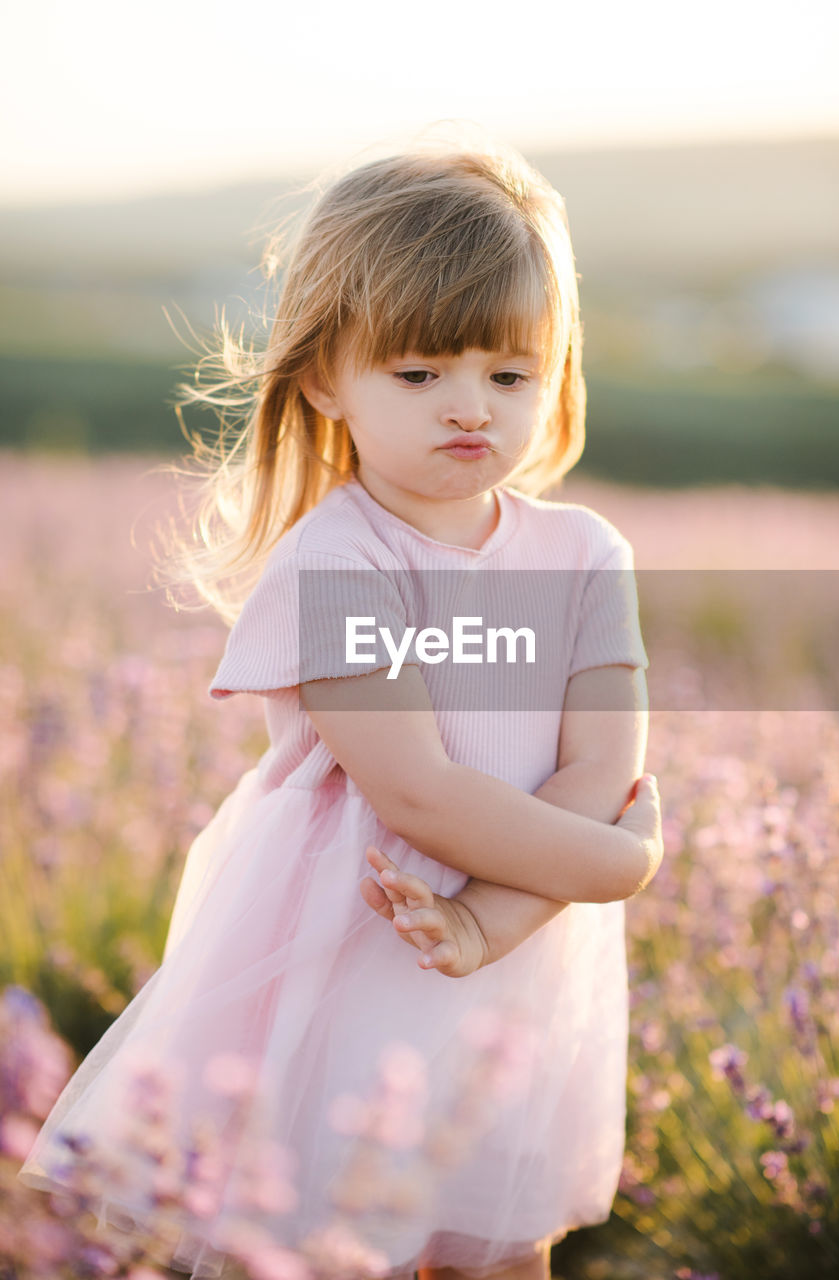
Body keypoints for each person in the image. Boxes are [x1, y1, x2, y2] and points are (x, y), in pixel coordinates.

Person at [18, 129, 663, 1280]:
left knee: (498, 1233)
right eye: (418, 374)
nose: (469, 407)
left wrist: (494, 922)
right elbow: (418, 792)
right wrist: (613, 862)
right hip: (359, 932)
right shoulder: (339, 564)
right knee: (323, 1233)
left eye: (508, 374)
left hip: (519, 936)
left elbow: (599, 770)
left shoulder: (584, 552)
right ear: (324, 375)